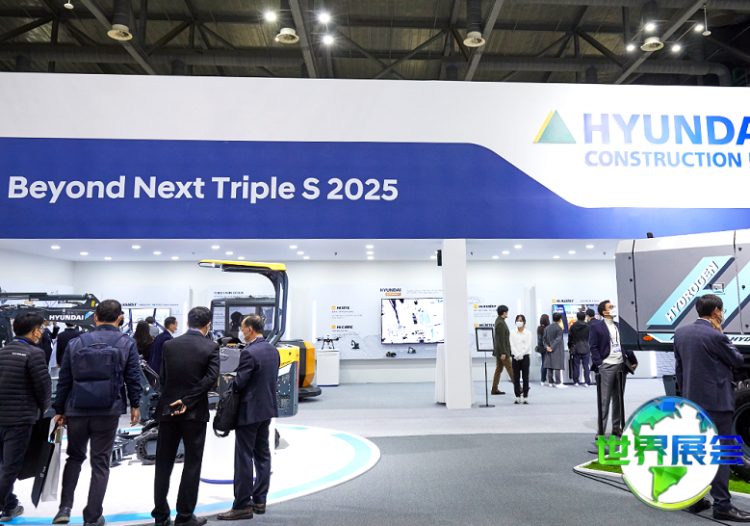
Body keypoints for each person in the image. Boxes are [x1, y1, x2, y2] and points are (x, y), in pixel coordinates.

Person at [53, 299, 141, 526]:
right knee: (100, 462)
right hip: (108, 410)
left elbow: (64, 379)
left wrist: (60, 409)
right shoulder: (127, 342)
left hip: (76, 408)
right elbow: (133, 377)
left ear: (95, 317)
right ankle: (92, 517)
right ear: (120, 318)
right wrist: (135, 404)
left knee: (74, 457)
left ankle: (64, 508)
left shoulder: (76, 342)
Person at [674, 294, 750, 522]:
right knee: (722, 452)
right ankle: (723, 505)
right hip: (717, 403)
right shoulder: (716, 336)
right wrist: (722, 334)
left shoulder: (681, 333)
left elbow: (680, 369)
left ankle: (694, 500)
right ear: (716, 311)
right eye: (722, 310)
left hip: (692, 401)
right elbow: (737, 361)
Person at [152, 307, 220, 526]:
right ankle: (184, 517)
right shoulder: (211, 347)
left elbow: (163, 377)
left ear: (188, 323)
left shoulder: (169, 345)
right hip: (194, 413)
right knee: (192, 464)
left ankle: (161, 516)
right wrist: (188, 401)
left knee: (163, 464)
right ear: (208, 324)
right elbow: (210, 379)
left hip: (168, 409)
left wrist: (176, 399)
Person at [217, 315, 280, 521]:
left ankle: (242, 505)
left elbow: (240, 383)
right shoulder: (272, 349)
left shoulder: (249, 352)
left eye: (242, 328)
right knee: (262, 453)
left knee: (244, 457)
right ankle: (260, 500)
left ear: (250, 329)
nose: (241, 331)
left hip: (249, 411)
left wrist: (230, 380)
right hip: (266, 409)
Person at [0, 314, 52, 522]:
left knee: (4, 466)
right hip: (20, 420)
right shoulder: (34, 353)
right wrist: (44, 408)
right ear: (35, 331)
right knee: (11, 467)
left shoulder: (2, 352)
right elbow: (43, 386)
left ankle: (9, 506)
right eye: (41, 329)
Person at [589, 300, 638, 438]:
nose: (613, 308)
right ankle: (601, 430)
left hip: (621, 365)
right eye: (610, 307)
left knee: (618, 398)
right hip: (606, 366)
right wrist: (600, 364)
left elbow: (626, 344)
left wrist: (632, 360)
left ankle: (616, 427)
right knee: (604, 399)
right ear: (604, 312)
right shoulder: (596, 327)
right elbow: (593, 346)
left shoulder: (619, 326)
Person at [509, 314, 532, 404]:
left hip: (525, 356)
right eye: (517, 320)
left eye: (520, 321)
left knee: (525, 377)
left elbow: (527, 345)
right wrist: (517, 354)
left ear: (524, 322)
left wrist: (521, 354)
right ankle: (517, 396)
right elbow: (512, 345)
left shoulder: (528, 333)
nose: (519, 322)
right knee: (516, 377)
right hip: (515, 357)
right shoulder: (512, 333)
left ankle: (525, 396)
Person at [491, 305, 513, 396]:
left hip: (500, 351)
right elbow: (501, 339)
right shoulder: (500, 323)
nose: (507, 313)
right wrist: (503, 352)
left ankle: (494, 389)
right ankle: (518, 387)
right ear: (504, 313)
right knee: (510, 368)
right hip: (502, 352)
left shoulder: (499, 321)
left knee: (499, 369)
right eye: (507, 312)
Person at [568, 311, 591, 386]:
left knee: (576, 366)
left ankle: (576, 381)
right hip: (586, 348)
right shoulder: (588, 326)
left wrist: (569, 347)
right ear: (584, 317)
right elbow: (591, 338)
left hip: (576, 348)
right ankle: (587, 381)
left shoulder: (573, 326)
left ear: (577, 317)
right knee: (586, 366)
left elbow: (570, 338)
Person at [544, 312, 566, 388]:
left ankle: (550, 382)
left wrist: (547, 347)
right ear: (560, 319)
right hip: (557, 349)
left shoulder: (547, 328)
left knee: (550, 365)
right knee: (557, 366)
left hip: (548, 349)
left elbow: (544, 340)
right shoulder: (559, 328)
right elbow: (558, 339)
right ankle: (558, 382)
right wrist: (552, 347)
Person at [537, 314, 550, 385]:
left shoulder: (539, 328)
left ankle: (543, 379)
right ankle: (543, 379)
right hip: (546, 348)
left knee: (543, 364)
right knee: (545, 364)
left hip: (541, 348)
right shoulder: (547, 329)